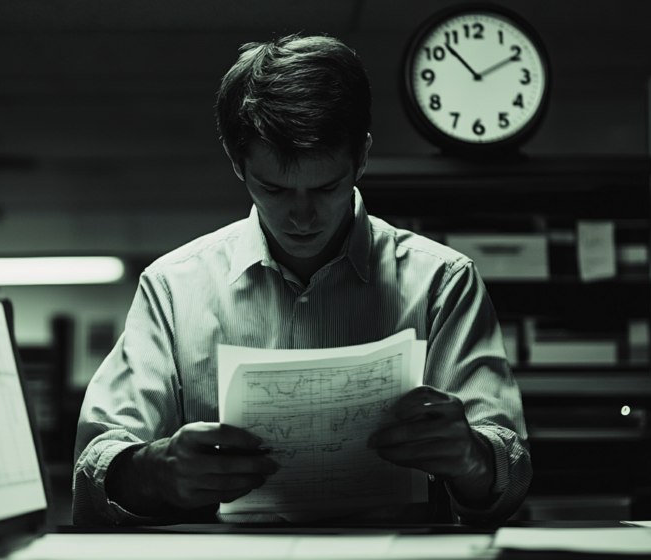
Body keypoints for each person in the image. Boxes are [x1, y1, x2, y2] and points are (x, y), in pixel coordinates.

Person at [73, 33, 530, 526]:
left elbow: (508, 478)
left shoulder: (443, 283)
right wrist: (154, 471)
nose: (302, 216)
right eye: (273, 188)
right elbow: (95, 467)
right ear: (235, 163)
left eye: (327, 186)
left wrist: (471, 458)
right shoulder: (171, 288)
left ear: (363, 157)